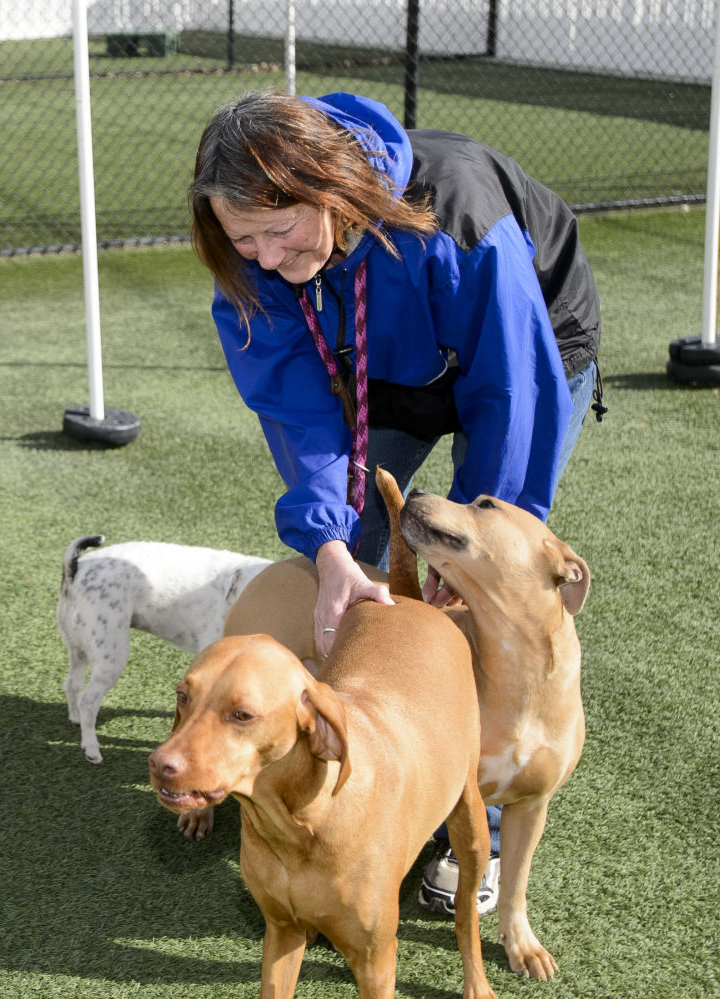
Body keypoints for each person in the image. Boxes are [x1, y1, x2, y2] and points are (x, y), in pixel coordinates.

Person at [190, 89, 603, 915]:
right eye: (243, 238)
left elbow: (510, 393)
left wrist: (467, 560)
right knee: (355, 548)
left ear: (330, 189)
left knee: (485, 595)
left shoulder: (458, 217)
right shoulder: (253, 270)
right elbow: (299, 413)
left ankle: (476, 825)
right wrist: (328, 547)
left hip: (526, 346)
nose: (264, 255)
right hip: (381, 361)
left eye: (280, 229)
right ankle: (355, 750)